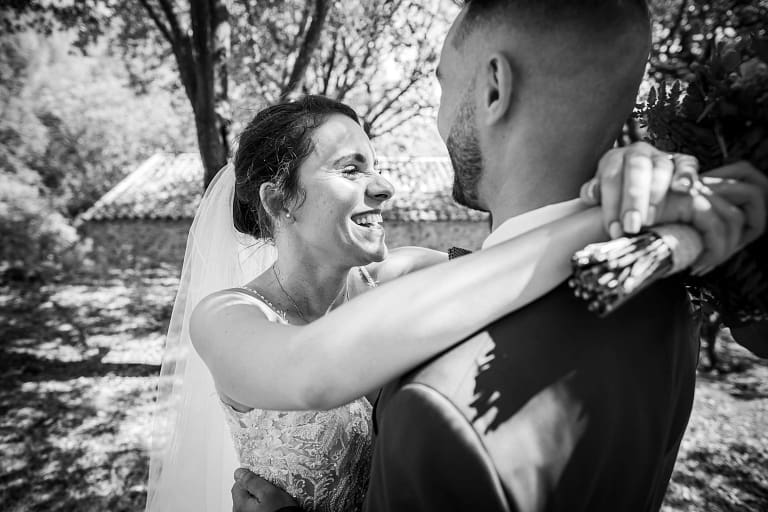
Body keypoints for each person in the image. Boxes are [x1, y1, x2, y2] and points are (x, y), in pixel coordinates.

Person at [228, 2, 768, 512]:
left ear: (493, 88)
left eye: (442, 84)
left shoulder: (438, 407)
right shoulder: (668, 294)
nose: (439, 119)